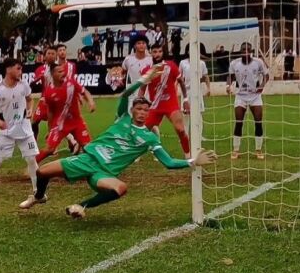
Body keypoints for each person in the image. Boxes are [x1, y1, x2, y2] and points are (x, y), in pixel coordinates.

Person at [18, 69, 217, 214]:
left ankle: (82, 206)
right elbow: (125, 95)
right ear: (132, 111)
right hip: (88, 158)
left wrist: (192, 162)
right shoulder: (122, 118)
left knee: (120, 188)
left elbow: (169, 163)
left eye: (145, 110)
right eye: (138, 109)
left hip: (104, 173)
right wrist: (142, 80)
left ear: (148, 114)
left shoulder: (150, 138)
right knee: (41, 172)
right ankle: (39, 197)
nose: (141, 112)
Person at [0, 58, 39, 201]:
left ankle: (37, 191)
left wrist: (30, 110)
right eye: (18, 68)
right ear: (8, 69)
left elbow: (30, 99)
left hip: (24, 130)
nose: (20, 71)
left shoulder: (24, 85)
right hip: (7, 132)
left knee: (31, 159)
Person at [34, 64, 96, 164]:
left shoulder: (71, 83)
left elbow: (85, 92)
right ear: (53, 74)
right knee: (49, 149)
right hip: (59, 125)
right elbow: (50, 112)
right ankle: (32, 165)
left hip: (76, 122)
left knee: (87, 146)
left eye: (63, 71)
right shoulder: (49, 92)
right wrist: (50, 129)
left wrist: (91, 102)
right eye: (59, 72)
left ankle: (93, 167)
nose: (63, 73)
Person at [139, 43, 191, 158]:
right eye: (155, 52)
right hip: (155, 106)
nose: (157, 54)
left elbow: (181, 82)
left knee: (181, 130)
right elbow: (142, 89)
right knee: (141, 132)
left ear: (163, 53)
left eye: (160, 51)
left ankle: (188, 156)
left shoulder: (171, 66)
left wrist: (186, 99)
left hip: (170, 104)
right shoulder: (147, 71)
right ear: (151, 53)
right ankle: (135, 155)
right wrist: (140, 103)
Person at [227, 42, 269, 160]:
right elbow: (230, 76)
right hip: (240, 96)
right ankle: (235, 150)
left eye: (248, 50)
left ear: (251, 51)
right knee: (239, 122)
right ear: (241, 51)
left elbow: (267, 75)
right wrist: (228, 85)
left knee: (258, 121)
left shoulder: (258, 62)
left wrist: (262, 85)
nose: (246, 51)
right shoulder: (234, 64)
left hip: (255, 96)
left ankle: (258, 150)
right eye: (243, 49)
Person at [179, 46, 211, 138]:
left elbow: (205, 76)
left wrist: (208, 88)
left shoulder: (201, 63)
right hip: (186, 91)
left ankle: (199, 136)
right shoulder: (183, 63)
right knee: (185, 114)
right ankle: (185, 136)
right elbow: (179, 77)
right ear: (188, 51)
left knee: (198, 114)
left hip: (197, 91)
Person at [121, 35, 154, 102]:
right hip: (132, 93)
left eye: (143, 43)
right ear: (134, 45)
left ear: (146, 45)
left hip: (147, 94)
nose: (141, 45)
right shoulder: (128, 59)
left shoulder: (151, 60)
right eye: (139, 43)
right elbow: (123, 72)